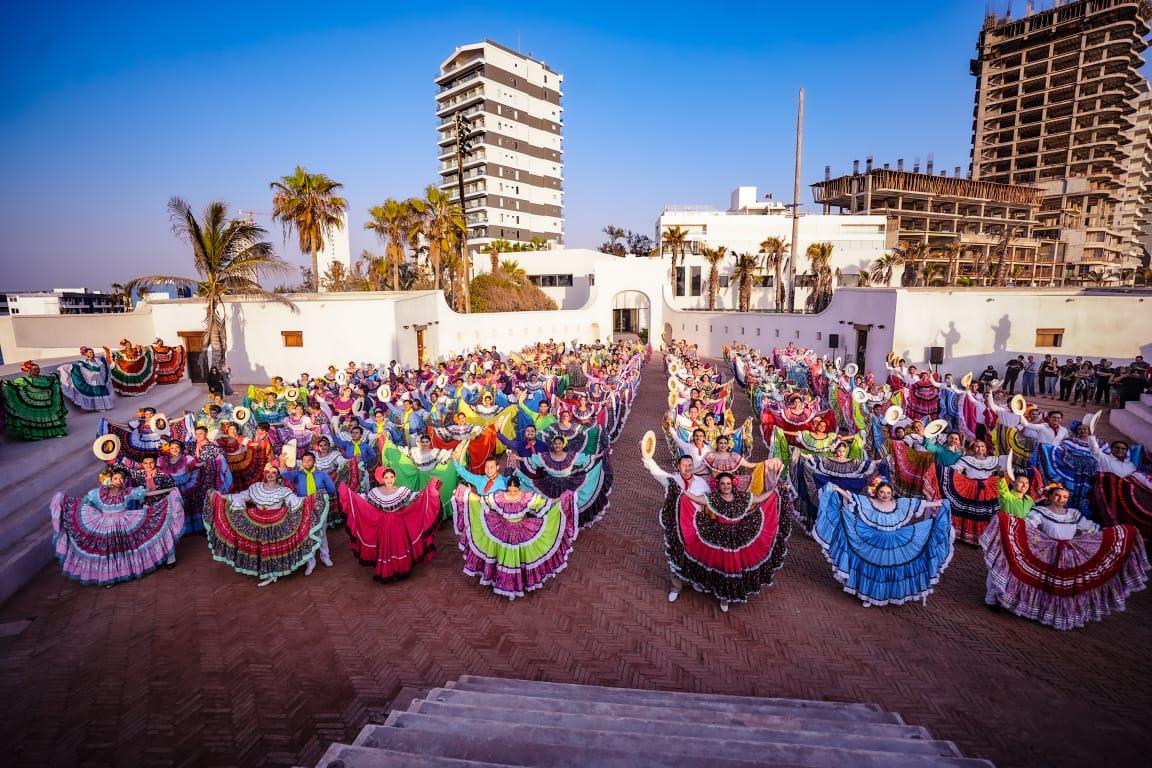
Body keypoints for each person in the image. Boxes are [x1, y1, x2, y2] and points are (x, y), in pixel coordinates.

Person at [981, 484, 1150, 630]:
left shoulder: (1074, 514)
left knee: (1061, 587)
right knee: (1042, 581)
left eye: (1065, 497)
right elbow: (1028, 524)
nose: (1061, 499)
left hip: (1068, 553)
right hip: (1047, 551)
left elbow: (1091, 528)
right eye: (1058, 496)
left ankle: (1053, 614)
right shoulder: (1041, 511)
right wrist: (1010, 523)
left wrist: (1111, 533)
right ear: (1051, 497)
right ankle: (999, 599)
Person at [814, 482, 953, 607]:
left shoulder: (901, 504)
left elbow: (920, 503)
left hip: (895, 543)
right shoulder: (869, 503)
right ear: (877, 493)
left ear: (892, 493)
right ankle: (869, 596)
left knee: (892, 567)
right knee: (874, 568)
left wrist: (939, 503)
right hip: (874, 543)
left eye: (888, 492)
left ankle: (889, 595)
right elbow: (851, 498)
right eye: (882, 492)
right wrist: (837, 489)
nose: (885, 495)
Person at [50, 466, 184, 585]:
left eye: (122, 479)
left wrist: (168, 490)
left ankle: (165, 558)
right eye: (116, 478)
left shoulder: (128, 492)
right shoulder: (98, 493)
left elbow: (147, 493)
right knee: (109, 552)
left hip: (125, 523)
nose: (119, 481)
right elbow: (84, 503)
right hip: (105, 526)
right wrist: (66, 503)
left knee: (130, 546)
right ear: (110, 479)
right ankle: (110, 577)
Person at [452, 475, 578, 600]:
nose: (512, 493)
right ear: (507, 489)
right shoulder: (500, 497)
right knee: (504, 557)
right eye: (510, 490)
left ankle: (518, 583)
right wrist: (468, 493)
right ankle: (507, 584)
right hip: (502, 530)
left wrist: (561, 499)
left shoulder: (526, 498)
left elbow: (546, 502)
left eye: (515, 490)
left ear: (519, 489)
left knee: (520, 557)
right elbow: (481, 500)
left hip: (522, 530)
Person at [203, 463, 328, 587]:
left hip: (276, 522)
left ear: (279, 476)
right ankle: (269, 573)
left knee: (273, 548)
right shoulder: (256, 487)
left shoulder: (284, 490)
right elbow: (240, 496)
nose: (270, 474)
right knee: (262, 548)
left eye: (274, 472)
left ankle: (273, 573)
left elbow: (294, 501)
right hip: (258, 522)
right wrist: (221, 497)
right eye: (268, 472)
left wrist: (312, 499)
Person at [341, 466, 441, 581]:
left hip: (398, 524)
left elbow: (418, 497)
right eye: (386, 477)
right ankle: (388, 570)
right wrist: (348, 494)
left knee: (398, 545)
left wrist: (431, 489)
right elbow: (363, 500)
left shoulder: (402, 491)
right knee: (386, 546)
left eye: (391, 477)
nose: (389, 480)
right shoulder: (375, 492)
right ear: (382, 479)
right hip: (383, 525)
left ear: (395, 478)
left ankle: (400, 568)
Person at [644, 452, 711, 603]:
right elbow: (657, 472)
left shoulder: (702, 484)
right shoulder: (672, 480)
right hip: (675, 524)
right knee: (675, 555)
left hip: (695, 527)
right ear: (678, 466)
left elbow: (709, 504)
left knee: (695, 556)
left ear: (693, 467)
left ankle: (694, 581)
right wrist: (647, 457)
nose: (687, 469)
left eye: (690, 466)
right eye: (684, 466)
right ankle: (676, 587)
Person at [281, 451, 337, 568]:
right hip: (304, 507)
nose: (306, 463)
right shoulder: (297, 474)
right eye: (304, 461)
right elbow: (285, 474)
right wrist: (282, 461)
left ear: (314, 461)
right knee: (306, 533)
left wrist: (321, 498)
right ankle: (310, 562)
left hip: (320, 507)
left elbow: (331, 489)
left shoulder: (322, 474)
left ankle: (325, 557)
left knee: (322, 532)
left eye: (309, 460)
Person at [1, 361, 68, 440]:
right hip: (35, 402)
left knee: (50, 417)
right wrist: (4, 383)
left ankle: (55, 432)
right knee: (38, 419)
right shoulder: (23, 380)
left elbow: (53, 381)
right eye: (35, 369)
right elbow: (12, 384)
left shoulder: (44, 378)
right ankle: (40, 435)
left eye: (38, 369)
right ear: (29, 370)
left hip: (47, 401)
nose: (38, 370)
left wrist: (54, 376)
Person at [58, 347, 114, 411]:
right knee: (95, 392)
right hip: (92, 380)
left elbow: (102, 368)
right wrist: (69, 367)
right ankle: (98, 407)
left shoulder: (97, 361)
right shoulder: (83, 363)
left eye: (92, 352)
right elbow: (81, 370)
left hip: (99, 380)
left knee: (101, 391)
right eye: (90, 352)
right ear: (85, 354)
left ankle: (105, 405)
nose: (92, 353)